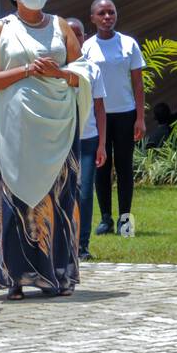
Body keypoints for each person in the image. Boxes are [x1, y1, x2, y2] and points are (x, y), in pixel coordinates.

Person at [0, 0, 93, 299]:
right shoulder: (2, 28)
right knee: (14, 198)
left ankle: (57, 275)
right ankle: (14, 276)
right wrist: (25, 70)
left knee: (58, 198)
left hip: (57, 124)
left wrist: (58, 73)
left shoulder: (60, 26)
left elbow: (83, 72)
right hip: (14, 128)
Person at [80, 0, 146, 238]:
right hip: (98, 116)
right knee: (101, 166)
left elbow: (138, 84)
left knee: (124, 167)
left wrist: (140, 117)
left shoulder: (128, 44)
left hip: (125, 114)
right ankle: (106, 217)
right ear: (93, 18)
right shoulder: (87, 47)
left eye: (111, 12)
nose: (107, 17)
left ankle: (125, 218)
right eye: (102, 13)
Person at [65, 18, 107, 260]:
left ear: (84, 37)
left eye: (78, 34)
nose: (74, 38)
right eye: (69, 34)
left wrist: (102, 143)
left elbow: (100, 107)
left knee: (84, 192)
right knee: (63, 192)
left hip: (88, 139)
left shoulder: (93, 68)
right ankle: (62, 241)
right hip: (60, 138)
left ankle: (82, 245)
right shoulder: (55, 66)